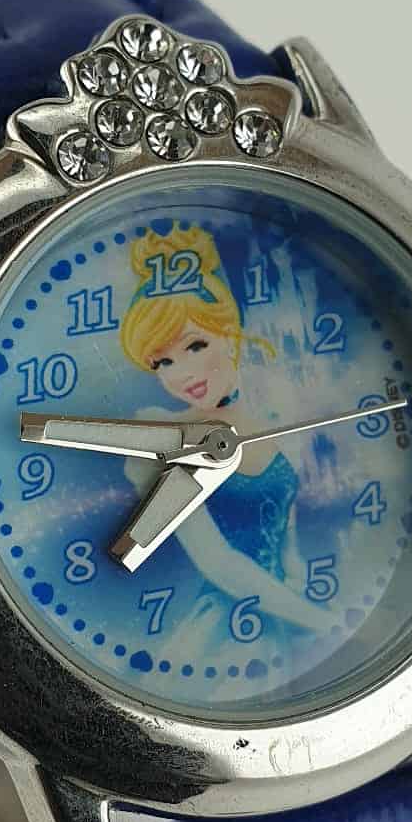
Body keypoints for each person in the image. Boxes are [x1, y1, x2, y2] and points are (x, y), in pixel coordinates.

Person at [118, 225, 334, 651]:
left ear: (230, 333)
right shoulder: (164, 437)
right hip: (225, 631)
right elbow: (217, 561)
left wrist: (307, 596)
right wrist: (325, 623)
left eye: (195, 346)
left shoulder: (269, 421)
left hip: (291, 618)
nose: (182, 374)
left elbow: (286, 540)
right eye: (162, 362)